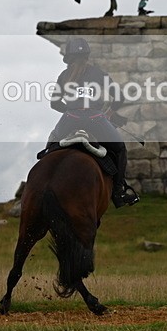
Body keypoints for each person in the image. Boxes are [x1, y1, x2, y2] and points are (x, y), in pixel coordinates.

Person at [44, 37, 139, 208]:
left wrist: (71, 111)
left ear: (68, 58)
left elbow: (54, 104)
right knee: (120, 149)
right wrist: (108, 113)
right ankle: (118, 192)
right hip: (96, 120)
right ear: (87, 56)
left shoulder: (64, 75)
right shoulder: (99, 73)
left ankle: (44, 181)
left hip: (70, 120)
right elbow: (119, 97)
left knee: (50, 145)